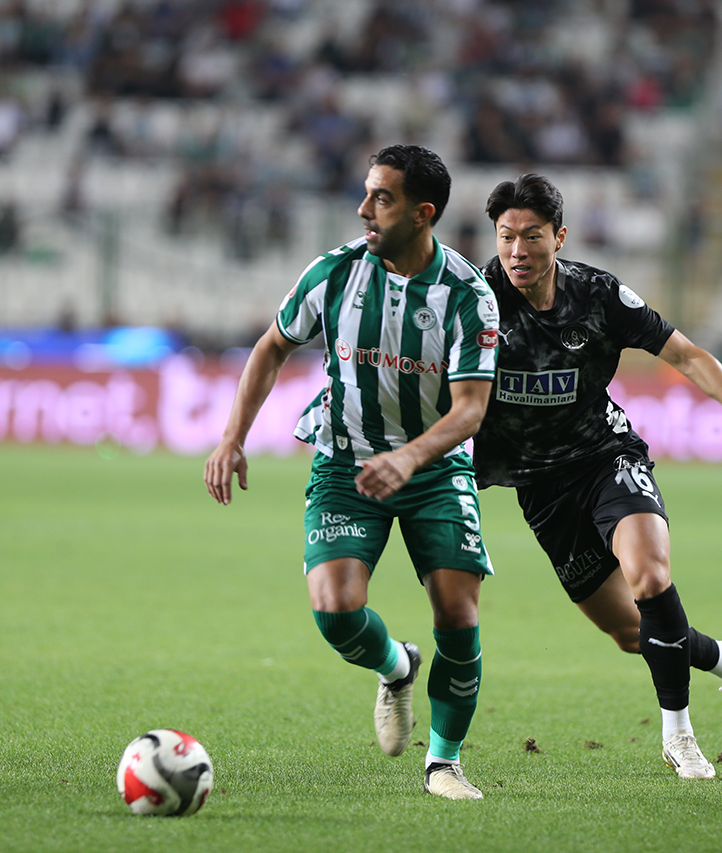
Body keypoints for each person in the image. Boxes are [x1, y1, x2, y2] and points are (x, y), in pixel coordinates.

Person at [472, 174, 722, 780]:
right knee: (634, 633)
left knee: (650, 576)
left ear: (559, 237)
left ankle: (679, 736)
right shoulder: (475, 303)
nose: (517, 250)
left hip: (606, 457)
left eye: (532, 236)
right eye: (506, 237)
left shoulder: (597, 295)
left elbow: (686, 355)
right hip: (540, 490)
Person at [204, 145, 501, 799]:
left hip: (433, 469)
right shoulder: (334, 273)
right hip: (345, 460)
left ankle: (444, 763)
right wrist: (232, 438)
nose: (364, 208)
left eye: (382, 198)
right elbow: (272, 346)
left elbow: (471, 409)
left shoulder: (467, 297)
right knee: (336, 611)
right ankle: (397, 667)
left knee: (457, 611)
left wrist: (409, 456)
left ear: (423, 213)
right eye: (367, 193)